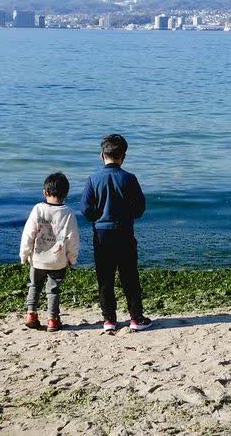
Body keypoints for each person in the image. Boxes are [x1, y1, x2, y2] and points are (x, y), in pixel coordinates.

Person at [80, 134, 152, 333]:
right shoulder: (129, 178)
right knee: (129, 276)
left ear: (101, 155)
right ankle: (136, 317)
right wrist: (127, 214)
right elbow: (140, 208)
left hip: (102, 234)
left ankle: (109, 319)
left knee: (105, 277)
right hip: (124, 232)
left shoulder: (93, 179)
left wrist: (98, 216)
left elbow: (86, 209)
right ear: (124, 157)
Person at [20, 171, 80, 332]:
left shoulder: (38, 209)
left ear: (45, 192)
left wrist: (24, 254)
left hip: (38, 259)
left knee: (34, 285)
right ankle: (53, 320)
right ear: (66, 194)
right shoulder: (68, 213)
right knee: (53, 290)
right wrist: (72, 258)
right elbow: (73, 238)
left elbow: (28, 233)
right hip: (58, 261)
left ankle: (31, 314)